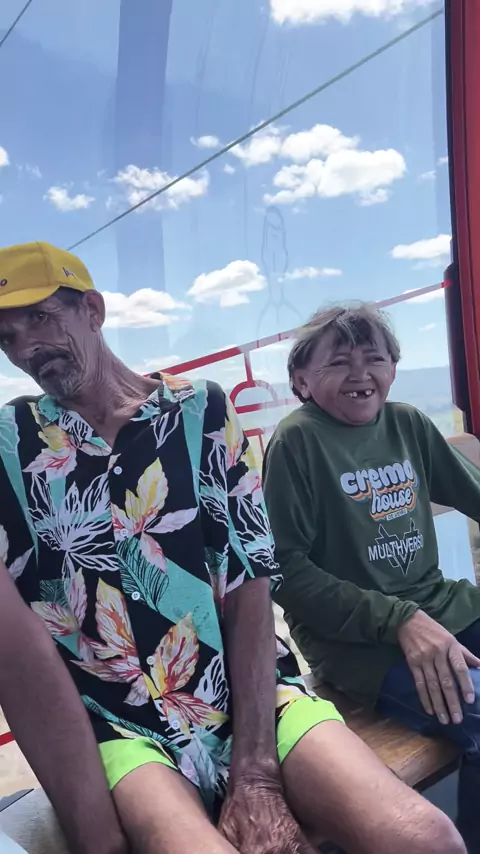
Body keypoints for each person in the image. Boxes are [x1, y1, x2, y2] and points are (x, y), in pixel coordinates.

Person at [0, 244, 464, 854]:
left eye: (40, 318)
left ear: (93, 309)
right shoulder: (11, 444)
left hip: (248, 691)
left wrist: (255, 773)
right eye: (7, 336)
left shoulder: (201, 411)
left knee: (426, 838)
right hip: (123, 725)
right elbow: (18, 654)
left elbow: (251, 584)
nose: (27, 348)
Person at [262, 301, 480, 854]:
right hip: (360, 645)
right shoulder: (296, 442)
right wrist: (399, 619)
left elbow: (473, 492)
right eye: (338, 362)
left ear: (393, 369)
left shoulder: (407, 424)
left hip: (440, 607)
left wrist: (417, 614)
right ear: (301, 380)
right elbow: (284, 572)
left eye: (374, 358)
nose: (360, 373)